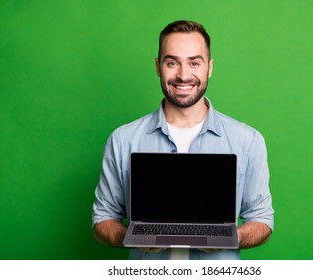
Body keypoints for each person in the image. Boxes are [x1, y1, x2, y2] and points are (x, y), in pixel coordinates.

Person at [92, 20, 274, 260]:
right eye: (172, 62)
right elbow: (103, 220)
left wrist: (230, 238)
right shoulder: (122, 140)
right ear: (158, 67)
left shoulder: (248, 141)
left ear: (209, 68)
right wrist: (133, 237)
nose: (183, 75)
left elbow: (262, 221)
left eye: (194, 63)